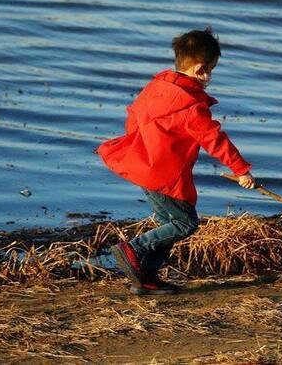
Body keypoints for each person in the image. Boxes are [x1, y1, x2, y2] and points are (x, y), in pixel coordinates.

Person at [96, 27, 255, 295]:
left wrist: (145, 143)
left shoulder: (157, 86)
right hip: (164, 174)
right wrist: (241, 170)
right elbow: (215, 140)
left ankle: (145, 279)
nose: (210, 77)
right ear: (199, 69)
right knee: (185, 224)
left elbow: (133, 117)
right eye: (211, 70)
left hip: (142, 166)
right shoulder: (191, 106)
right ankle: (132, 249)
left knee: (168, 224)